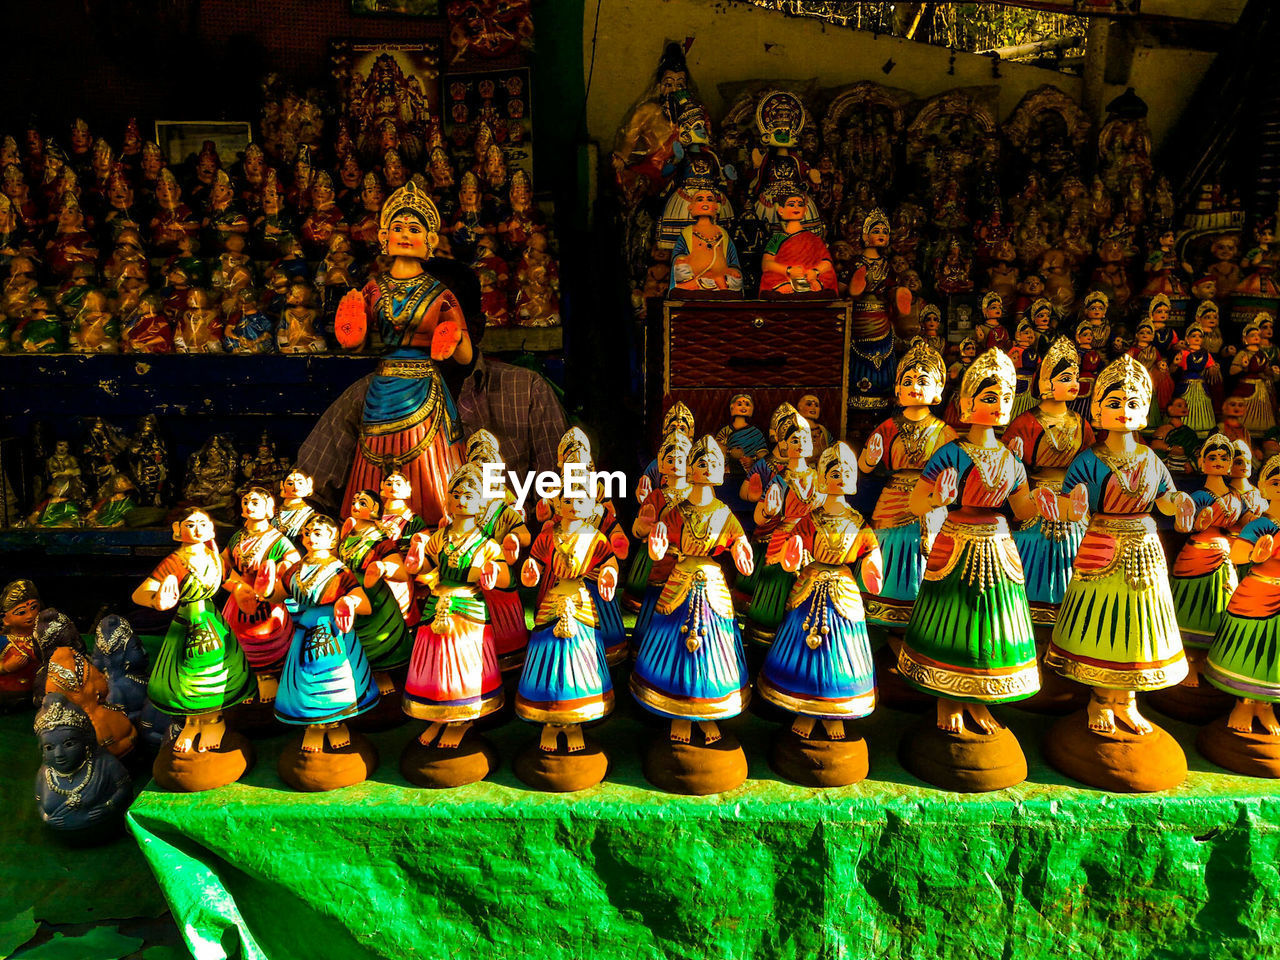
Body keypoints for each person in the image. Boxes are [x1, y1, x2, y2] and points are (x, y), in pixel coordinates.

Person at [297, 258, 567, 514]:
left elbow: (560, 496)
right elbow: (308, 493)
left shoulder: (526, 391)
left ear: (475, 328)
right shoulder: (368, 394)